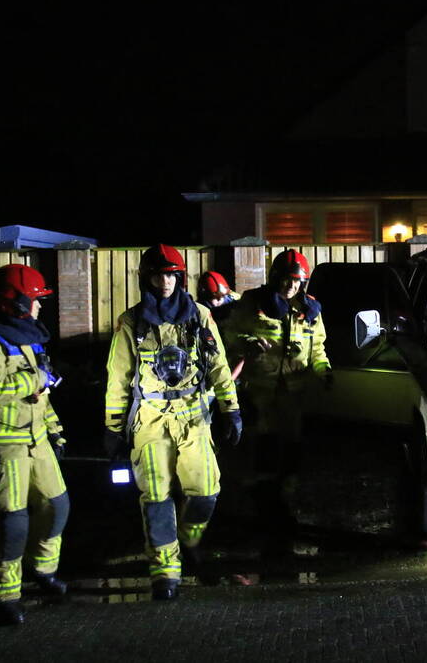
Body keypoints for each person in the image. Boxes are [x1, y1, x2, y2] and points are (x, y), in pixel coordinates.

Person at [103, 244, 242, 601]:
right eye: (157, 275)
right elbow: (118, 378)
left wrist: (231, 408)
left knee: (206, 491)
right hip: (150, 421)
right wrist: (114, 427)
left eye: (170, 275)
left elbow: (218, 365)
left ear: (179, 278)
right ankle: (165, 572)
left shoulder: (199, 315)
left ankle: (188, 540)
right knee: (156, 497)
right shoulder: (131, 322)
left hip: (194, 417)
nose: (164, 282)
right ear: (146, 279)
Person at [0, 263, 69, 626]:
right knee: (12, 522)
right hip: (5, 442)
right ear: (16, 302)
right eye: (35, 300)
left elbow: (43, 394)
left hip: (37, 439)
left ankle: (42, 571)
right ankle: (4, 595)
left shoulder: (28, 335)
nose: (39, 306)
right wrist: (36, 377)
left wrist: (55, 431)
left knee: (57, 505)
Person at [224, 249, 331, 503]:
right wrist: (249, 341)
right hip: (260, 385)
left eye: (297, 281)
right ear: (275, 278)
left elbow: (317, 347)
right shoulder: (253, 302)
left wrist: (323, 371)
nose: (291, 286)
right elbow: (230, 334)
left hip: (294, 387)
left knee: (293, 435)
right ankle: (263, 485)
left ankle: (288, 482)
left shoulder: (310, 310)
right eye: (286, 279)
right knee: (264, 433)